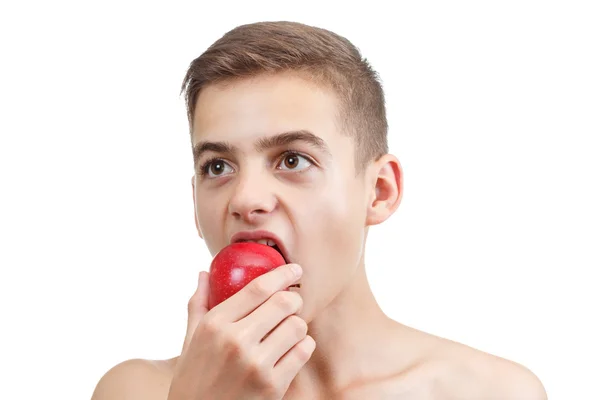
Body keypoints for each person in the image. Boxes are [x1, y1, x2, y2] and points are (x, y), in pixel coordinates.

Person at [91, 21, 547, 399]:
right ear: (195, 203)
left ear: (380, 191)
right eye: (218, 166)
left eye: (292, 160)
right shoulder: (137, 391)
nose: (245, 198)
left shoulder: (494, 392)